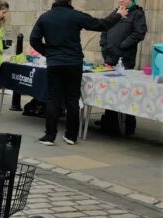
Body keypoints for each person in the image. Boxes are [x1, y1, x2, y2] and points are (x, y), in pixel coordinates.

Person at [31, 0, 127, 146]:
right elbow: (100, 24)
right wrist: (118, 15)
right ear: (70, 2)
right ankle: (71, 136)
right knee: (72, 99)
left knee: (53, 99)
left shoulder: (45, 17)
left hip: (55, 63)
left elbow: (34, 39)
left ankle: (49, 136)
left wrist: (48, 53)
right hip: (73, 63)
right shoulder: (75, 15)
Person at [99, 0, 147, 135]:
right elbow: (104, 28)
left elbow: (139, 33)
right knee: (110, 89)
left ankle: (128, 124)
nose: (121, 0)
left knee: (125, 91)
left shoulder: (137, 14)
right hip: (109, 57)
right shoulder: (116, 12)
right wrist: (103, 44)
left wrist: (123, 45)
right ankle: (110, 121)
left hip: (124, 59)